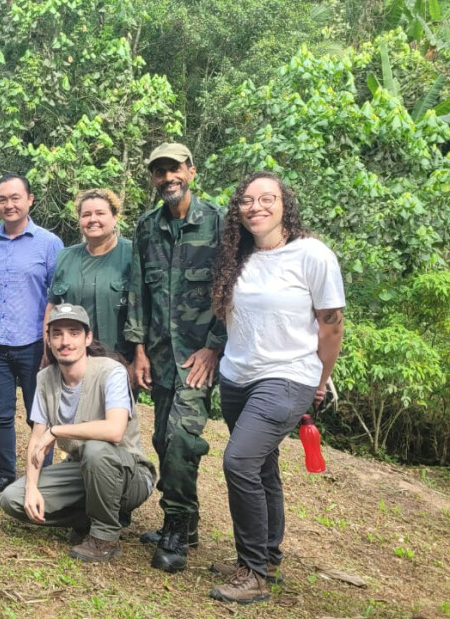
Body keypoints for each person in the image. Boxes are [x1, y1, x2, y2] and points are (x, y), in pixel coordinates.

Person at [206, 172, 345, 604]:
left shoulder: (312, 254)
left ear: (285, 204)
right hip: (237, 376)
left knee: (239, 461)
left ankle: (252, 573)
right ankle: (267, 553)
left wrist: (320, 381)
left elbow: (331, 326)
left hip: (289, 375)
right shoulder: (236, 256)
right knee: (261, 465)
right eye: (247, 200)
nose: (256, 207)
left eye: (267, 198)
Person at [125, 143, 226, 573]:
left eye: (175, 169)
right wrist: (139, 351)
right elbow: (138, 293)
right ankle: (191, 522)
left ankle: (176, 526)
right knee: (165, 440)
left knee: (183, 438)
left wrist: (215, 346)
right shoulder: (147, 227)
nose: (168, 177)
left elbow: (231, 289)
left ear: (192, 171)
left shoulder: (219, 223)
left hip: (199, 356)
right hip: (160, 355)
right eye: (160, 171)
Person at [0, 304, 155, 562]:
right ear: (48, 340)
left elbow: (115, 431)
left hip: (130, 472)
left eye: (73, 332)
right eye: (57, 334)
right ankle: (92, 517)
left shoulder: (110, 371)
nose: (65, 341)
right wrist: (32, 489)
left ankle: (105, 537)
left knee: (95, 449)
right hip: (82, 468)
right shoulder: (45, 378)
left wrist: (57, 430)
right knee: (12, 499)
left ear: (88, 338)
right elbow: (37, 439)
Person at [0, 173, 64, 496]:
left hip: (36, 347)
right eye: (2, 199)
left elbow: (58, 296)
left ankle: (44, 479)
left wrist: (54, 344)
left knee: (40, 416)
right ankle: (7, 474)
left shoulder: (49, 244)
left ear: (30, 200)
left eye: (15, 198)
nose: (8, 205)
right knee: (1, 412)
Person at [47, 188, 133, 360]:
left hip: (120, 358)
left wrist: (138, 357)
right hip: (73, 358)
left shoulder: (133, 254)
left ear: (115, 218)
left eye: (100, 213)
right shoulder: (66, 257)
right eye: (86, 214)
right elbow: (52, 306)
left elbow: (144, 313)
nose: (93, 219)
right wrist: (47, 348)